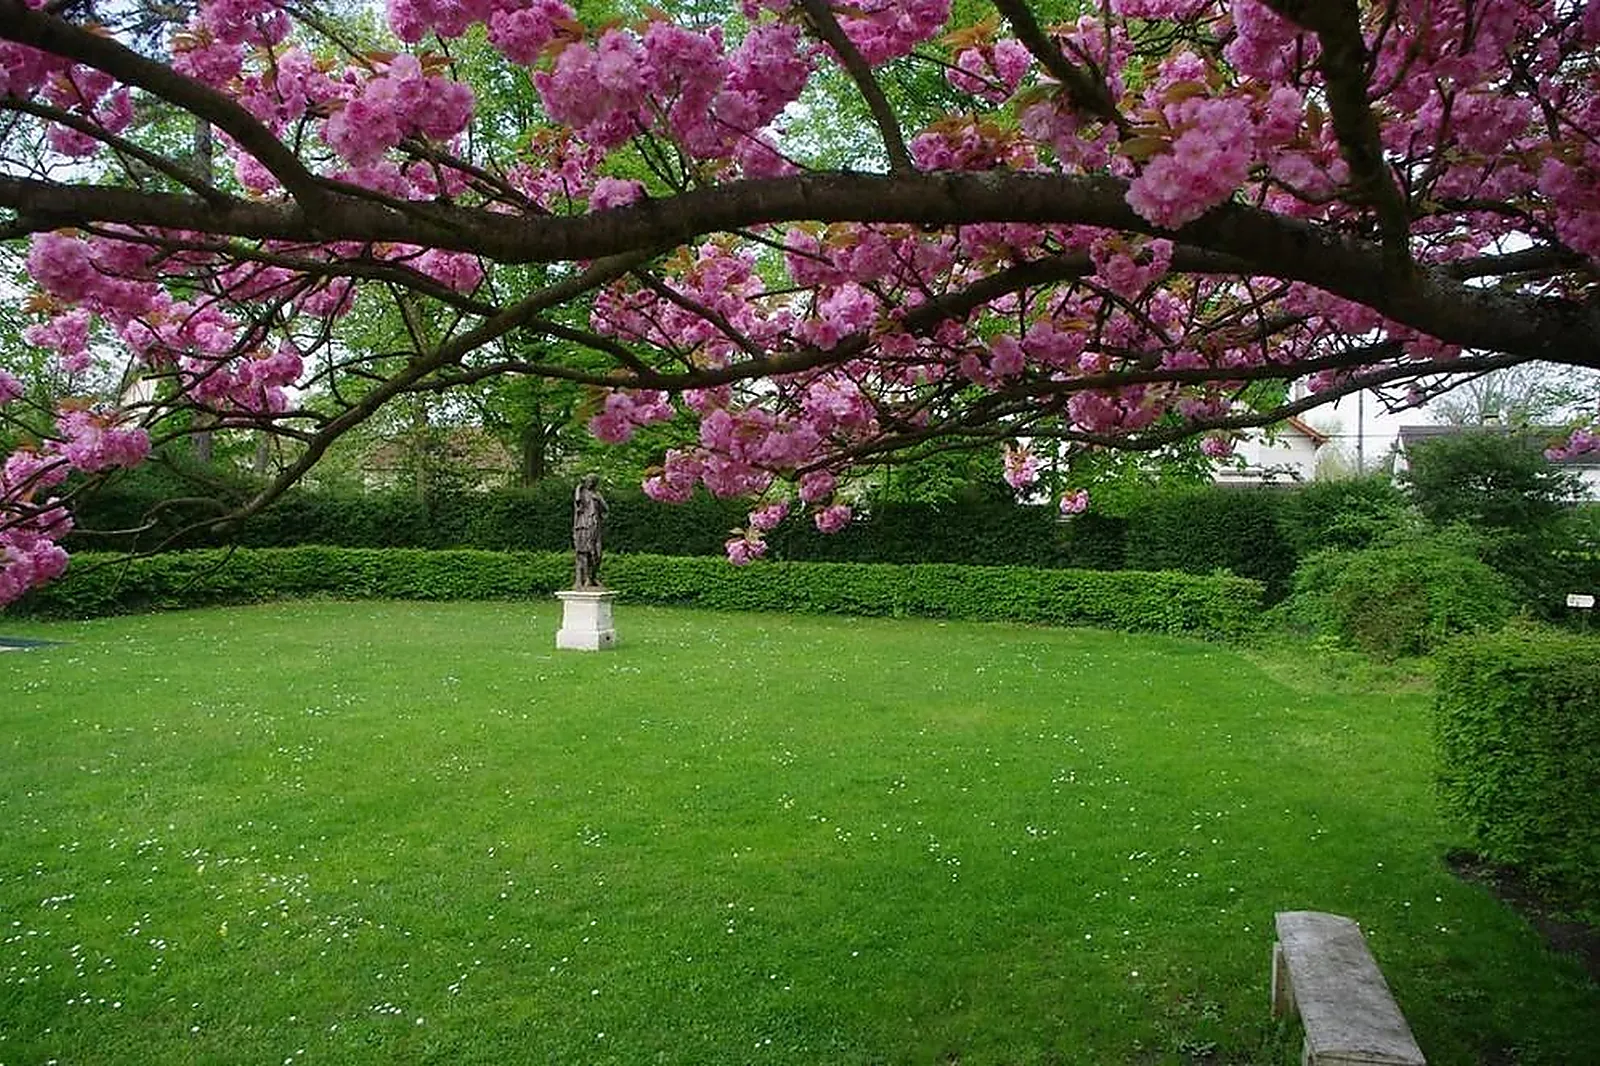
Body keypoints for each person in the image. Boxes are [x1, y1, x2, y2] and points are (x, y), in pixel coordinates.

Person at [572, 474, 607, 588]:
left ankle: (593, 576)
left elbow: (606, 509)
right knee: (586, 552)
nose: (591, 483)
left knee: (598, 553)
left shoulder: (597, 494)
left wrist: (598, 501)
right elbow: (577, 503)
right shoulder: (581, 493)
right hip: (584, 525)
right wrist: (578, 487)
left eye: (593, 481)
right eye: (589, 480)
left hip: (596, 526)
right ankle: (586, 578)